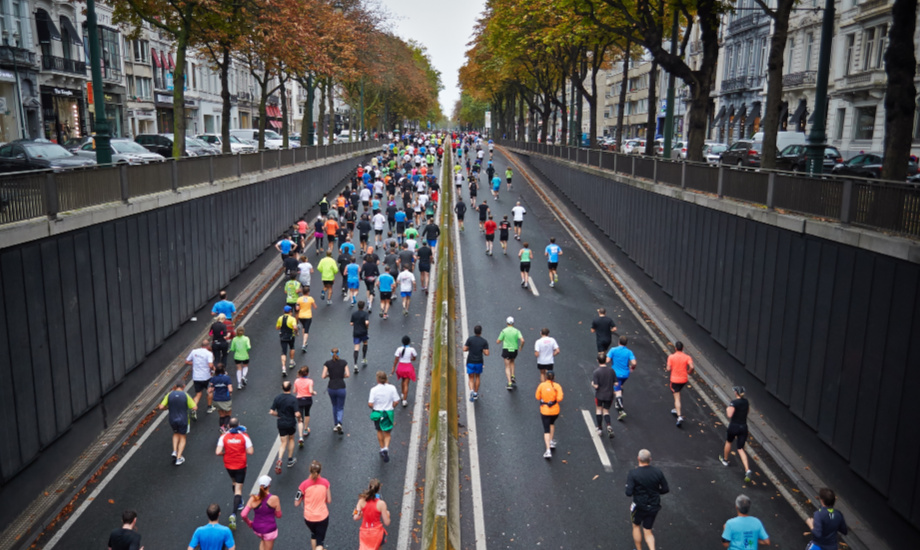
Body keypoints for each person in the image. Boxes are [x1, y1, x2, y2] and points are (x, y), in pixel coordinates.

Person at [626, 449, 669, 550]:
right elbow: (665, 489)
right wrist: (656, 493)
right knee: (648, 530)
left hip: (639, 505)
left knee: (636, 526)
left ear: (638, 459)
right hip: (654, 505)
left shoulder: (633, 473)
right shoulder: (658, 472)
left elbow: (628, 492)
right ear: (650, 459)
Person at [216, 417, 254, 528]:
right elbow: (251, 451)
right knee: (238, 489)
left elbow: (218, 451)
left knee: (234, 482)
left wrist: (225, 453)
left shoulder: (223, 436)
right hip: (240, 464)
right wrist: (242, 449)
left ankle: (239, 502)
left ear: (228, 426)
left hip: (228, 464)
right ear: (239, 425)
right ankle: (233, 513)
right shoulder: (244, 436)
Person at [720, 386, 753, 483]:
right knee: (740, 448)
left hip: (734, 426)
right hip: (743, 427)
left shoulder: (734, 403)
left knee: (729, 441)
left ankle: (725, 460)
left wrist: (727, 408)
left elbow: (729, 415)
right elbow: (747, 412)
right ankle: (747, 469)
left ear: (736, 393)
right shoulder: (746, 402)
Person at [296, 461, 331, 550]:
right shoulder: (325, 483)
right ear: (320, 471)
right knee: (320, 542)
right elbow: (329, 500)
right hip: (322, 517)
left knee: (314, 534)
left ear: (310, 470)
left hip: (309, 518)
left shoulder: (303, 485)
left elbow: (296, 502)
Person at [158, 383, 196, 465]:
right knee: (183, 437)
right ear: (184, 386)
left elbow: (160, 407)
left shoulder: (169, 394)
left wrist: (166, 408)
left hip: (172, 419)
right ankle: (179, 458)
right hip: (183, 420)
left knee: (175, 433)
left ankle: (174, 451)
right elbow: (194, 407)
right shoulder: (185, 395)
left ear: (175, 387)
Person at [241, 476, 282, 550]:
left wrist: (249, 523)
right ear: (269, 485)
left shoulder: (253, 498)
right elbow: (279, 515)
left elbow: (243, 514)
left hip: (257, 529)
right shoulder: (274, 498)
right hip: (269, 530)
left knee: (263, 540)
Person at [368, 371, 401, 462]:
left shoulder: (373, 390)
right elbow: (396, 401)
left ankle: (382, 448)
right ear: (386, 378)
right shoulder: (392, 388)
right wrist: (392, 407)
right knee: (387, 433)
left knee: (379, 430)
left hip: (378, 412)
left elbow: (370, 403)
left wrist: (374, 407)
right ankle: (386, 447)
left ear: (377, 379)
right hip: (388, 412)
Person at [270, 381, 301, 473]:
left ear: (282, 387)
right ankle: (290, 459)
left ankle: (279, 459)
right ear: (290, 388)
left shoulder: (277, 398)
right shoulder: (293, 399)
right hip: (290, 423)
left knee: (283, 442)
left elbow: (271, 411)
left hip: (281, 423)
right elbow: (297, 413)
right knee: (291, 439)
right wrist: (299, 418)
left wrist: (278, 415)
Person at [606, 335, 637, 420]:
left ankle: (621, 410)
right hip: (625, 374)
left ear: (618, 342)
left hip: (615, 374)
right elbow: (634, 363)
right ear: (626, 343)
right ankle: (618, 401)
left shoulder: (613, 350)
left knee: (617, 391)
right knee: (620, 386)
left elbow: (607, 360)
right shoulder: (629, 352)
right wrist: (632, 368)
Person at [353, 479, 391, 550]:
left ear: (369, 487)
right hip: (377, 533)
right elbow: (387, 522)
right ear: (379, 488)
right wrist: (388, 514)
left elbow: (356, 517)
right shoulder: (381, 504)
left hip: (364, 533)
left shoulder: (361, 501)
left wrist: (357, 511)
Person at [535, 370, 564, 458]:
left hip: (545, 410)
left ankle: (548, 450)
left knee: (546, 429)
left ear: (546, 377)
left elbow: (537, 397)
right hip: (555, 410)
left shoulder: (542, 385)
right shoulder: (557, 386)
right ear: (554, 378)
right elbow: (560, 398)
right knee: (552, 423)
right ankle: (551, 441)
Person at [666, 341, 694, 427]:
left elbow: (668, 369)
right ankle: (676, 409)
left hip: (675, 380)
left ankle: (679, 416)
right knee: (678, 393)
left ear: (675, 348)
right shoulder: (687, 357)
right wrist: (689, 372)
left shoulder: (671, 357)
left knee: (677, 397)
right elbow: (692, 367)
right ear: (683, 348)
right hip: (684, 379)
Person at [322, 348, 350, 433]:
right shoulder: (344, 362)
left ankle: (335, 424)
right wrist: (341, 376)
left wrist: (329, 375)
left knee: (334, 405)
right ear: (339, 353)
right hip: (341, 386)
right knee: (340, 407)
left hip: (331, 387)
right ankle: (339, 422)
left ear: (331, 354)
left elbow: (323, 376)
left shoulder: (327, 363)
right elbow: (348, 374)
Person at [186, 339, 214, 417]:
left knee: (198, 394)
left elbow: (187, 361)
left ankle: (193, 409)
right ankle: (209, 407)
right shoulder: (209, 354)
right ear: (208, 346)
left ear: (201, 345)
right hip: (206, 377)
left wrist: (194, 363)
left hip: (196, 377)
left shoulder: (194, 351)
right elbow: (210, 365)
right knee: (210, 391)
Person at [591, 352, 616, 438]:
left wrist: (592, 384)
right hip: (609, 395)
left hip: (600, 395)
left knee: (598, 410)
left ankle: (600, 428)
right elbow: (616, 383)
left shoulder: (596, 372)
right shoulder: (611, 371)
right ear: (606, 360)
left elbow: (596, 385)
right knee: (606, 411)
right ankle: (608, 425)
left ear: (597, 361)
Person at [497, 316, 524, 390]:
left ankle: (509, 383)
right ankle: (513, 375)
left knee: (507, 366)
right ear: (513, 323)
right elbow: (522, 340)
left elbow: (498, 341)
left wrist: (502, 340)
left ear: (506, 323)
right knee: (512, 361)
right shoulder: (517, 331)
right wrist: (521, 347)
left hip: (506, 349)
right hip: (514, 349)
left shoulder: (504, 331)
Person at [463, 325, 489, 402]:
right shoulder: (484, 341)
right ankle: (475, 393)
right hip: (479, 362)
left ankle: (471, 390)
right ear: (481, 332)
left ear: (474, 331)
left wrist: (469, 348)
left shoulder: (470, 339)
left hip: (470, 361)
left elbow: (464, 349)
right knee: (477, 377)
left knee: (471, 378)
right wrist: (482, 350)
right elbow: (487, 353)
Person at [391, 335, 418, 407]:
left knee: (402, 381)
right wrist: (411, 359)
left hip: (400, 367)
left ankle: (402, 394)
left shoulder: (399, 349)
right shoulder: (412, 349)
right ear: (409, 342)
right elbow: (414, 357)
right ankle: (404, 400)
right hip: (408, 367)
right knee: (406, 383)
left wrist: (393, 368)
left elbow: (396, 359)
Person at [294, 366, 316, 447]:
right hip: (308, 400)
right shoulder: (310, 381)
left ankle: (300, 437)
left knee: (300, 419)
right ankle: (305, 430)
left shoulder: (296, 381)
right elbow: (310, 391)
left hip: (299, 400)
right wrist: (314, 392)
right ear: (307, 373)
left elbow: (294, 391)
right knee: (307, 413)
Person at [209, 364, 234, 432]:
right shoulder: (227, 378)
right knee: (228, 414)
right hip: (225, 398)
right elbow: (230, 389)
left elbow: (210, 390)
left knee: (221, 415)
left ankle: (222, 427)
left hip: (216, 399)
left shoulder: (213, 379)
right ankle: (225, 427)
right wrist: (230, 393)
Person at [276, 305, 299, 376]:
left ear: (284, 311)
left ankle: (283, 367)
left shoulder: (280, 318)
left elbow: (277, 327)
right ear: (290, 311)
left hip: (282, 336)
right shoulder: (292, 319)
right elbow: (295, 327)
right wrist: (296, 331)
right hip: (290, 336)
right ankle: (291, 361)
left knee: (283, 351)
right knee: (292, 347)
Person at [295, 286, 317, 353]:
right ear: (308, 292)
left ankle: (304, 341)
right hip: (308, 316)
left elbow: (297, 309)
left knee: (304, 327)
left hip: (301, 316)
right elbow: (315, 307)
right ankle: (304, 344)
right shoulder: (310, 299)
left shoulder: (299, 299)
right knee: (306, 330)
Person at [351, 300, 371, 372]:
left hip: (356, 332)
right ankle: (364, 358)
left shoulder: (354, 314)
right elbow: (366, 322)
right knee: (365, 343)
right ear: (363, 306)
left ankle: (355, 364)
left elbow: (351, 323)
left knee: (356, 347)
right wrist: (367, 326)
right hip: (363, 332)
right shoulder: (365, 314)